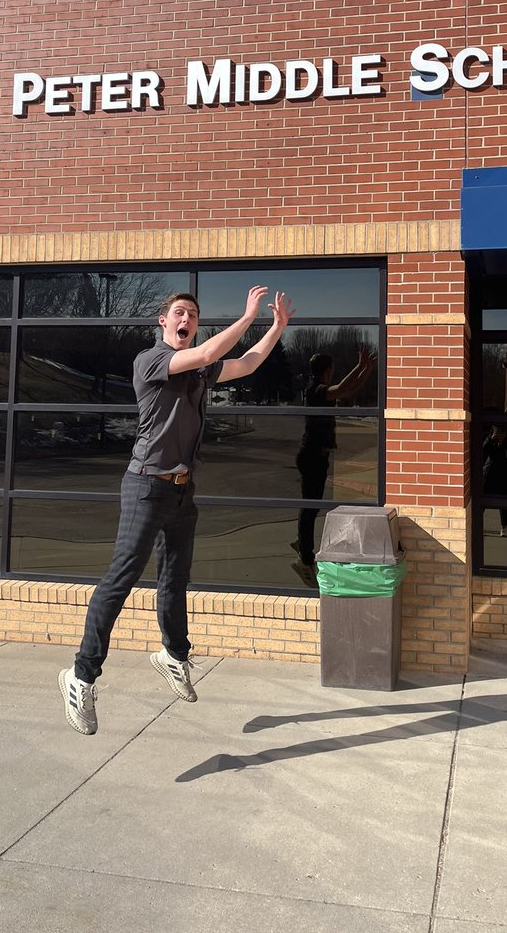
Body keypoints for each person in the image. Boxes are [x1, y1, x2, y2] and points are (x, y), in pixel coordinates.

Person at [59, 285, 294, 734]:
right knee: (121, 577)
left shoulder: (199, 373)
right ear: (163, 323)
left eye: (193, 315)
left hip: (183, 490)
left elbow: (245, 364)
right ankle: (81, 675)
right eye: (180, 313)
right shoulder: (149, 361)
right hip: (146, 486)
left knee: (174, 580)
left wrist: (277, 327)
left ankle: (172, 654)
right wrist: (247, 317)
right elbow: (208, 352)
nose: (187, 319)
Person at [294, 348, 377, 574]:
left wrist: (366, 371)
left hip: (315, 455)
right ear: (327, 370)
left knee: (311, 504)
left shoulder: (319, 390)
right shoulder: (315, 390)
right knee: (310, 505)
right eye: (332, 369)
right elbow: (341, 389)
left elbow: (347, 390)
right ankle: (305, 555)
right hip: (311, 455)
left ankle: (302, 542)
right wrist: (360, 367)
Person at [482, 425, 507, 534]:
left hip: (503, 476)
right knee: (483, 502)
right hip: (489, 474)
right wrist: (491, 439)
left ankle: (504, 527)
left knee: (503, 504)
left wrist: (503, 441)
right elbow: (483, 451)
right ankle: (478, 524)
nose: (498, 434)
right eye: (496, 432)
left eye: (500, 432)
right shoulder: (489, 441)